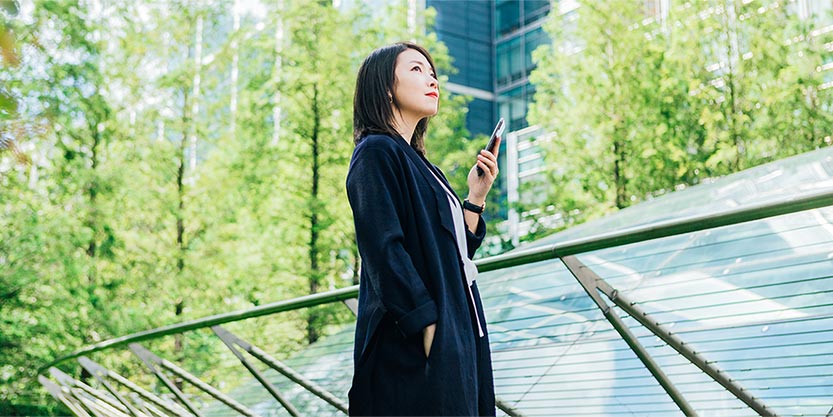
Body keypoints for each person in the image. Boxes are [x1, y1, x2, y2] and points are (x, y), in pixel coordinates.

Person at [346, 42, 499, 416]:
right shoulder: (377, 152)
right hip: (414, 339)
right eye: (416, 70)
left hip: (457, 326)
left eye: (432, 72)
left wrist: (475, 196)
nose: (431, 79)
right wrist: (426, 326)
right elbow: (383, 250)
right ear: (385, 86)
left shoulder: (422, 164)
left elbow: (452, 251)